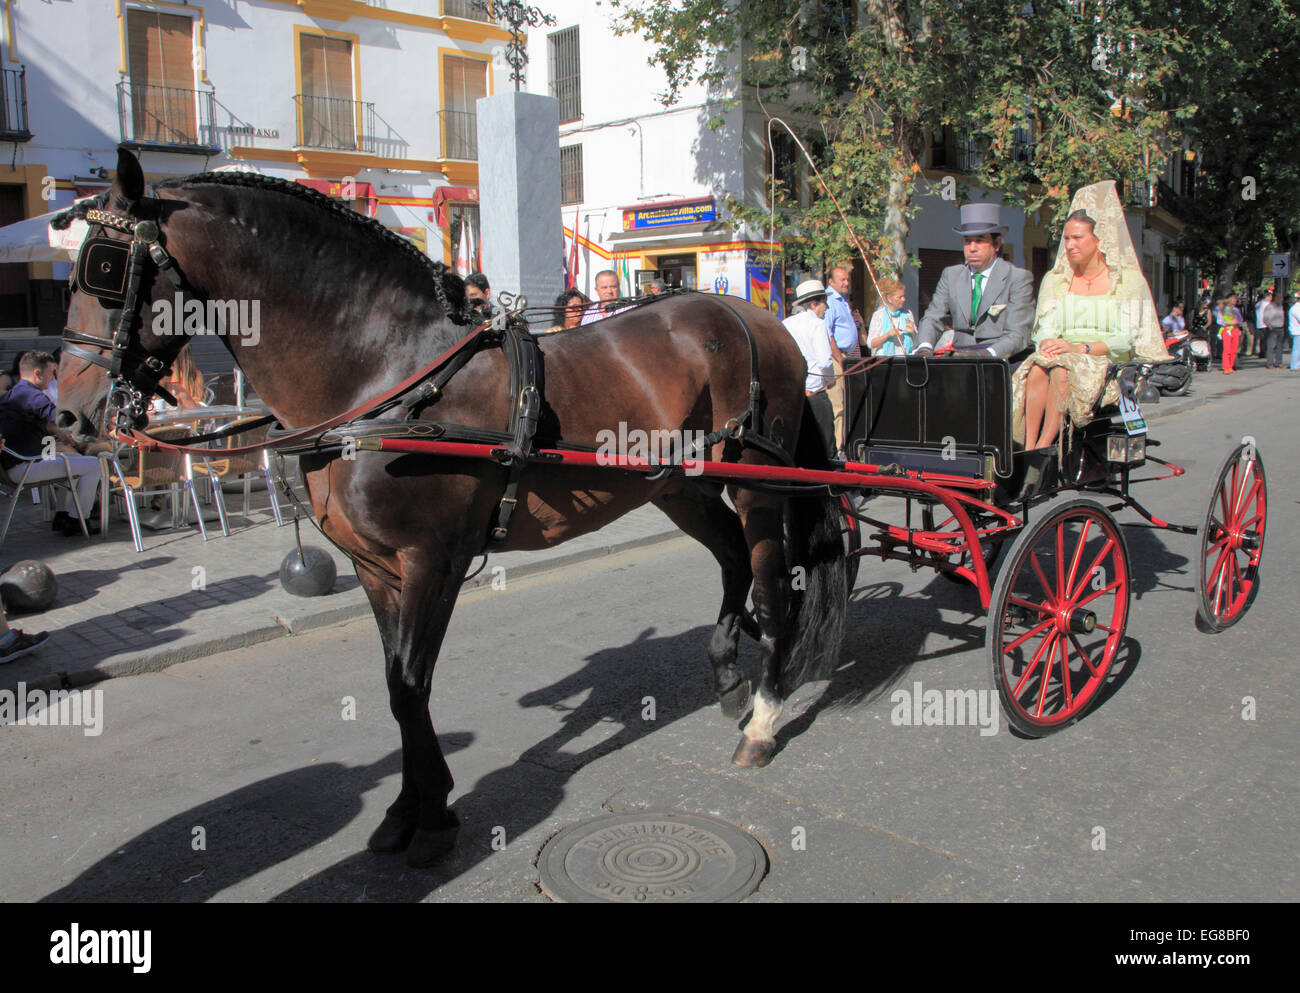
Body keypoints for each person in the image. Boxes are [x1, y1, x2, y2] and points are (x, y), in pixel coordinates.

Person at [1012, 181, 1171, 451]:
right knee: (1037, 368)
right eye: (1066, 239)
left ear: (1099, 240)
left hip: (1106, 363)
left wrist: (1079, 348)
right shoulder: (1056, 280)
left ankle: (1045, 447)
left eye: (1078, 238)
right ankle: (1027, 448)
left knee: (1062, 369)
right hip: (1063, 355)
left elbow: (1126, 339)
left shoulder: (1126, 281)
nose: (1070, 245)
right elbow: (1044, 328)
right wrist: (1050, 343)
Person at [915, 202, 1035, 361]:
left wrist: (985, 355)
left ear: (997, 244)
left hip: (1000, 360)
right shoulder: (951, 275)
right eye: (967, 240)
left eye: (980, 240)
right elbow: (932, 317)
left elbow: (1018, 334)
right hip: (959, 358)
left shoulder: (1017, 278)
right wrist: (924, 347)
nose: (972, 248)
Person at [0, 352, 102, 536]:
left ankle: (63, 515)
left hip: (13, 465)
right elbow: (61, 418)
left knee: (75, 459)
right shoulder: (31, 395)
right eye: (51, 372)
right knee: (95, 465)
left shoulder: (16, 393)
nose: (53, 378)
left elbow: (39, 422)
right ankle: (77, 520)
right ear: (38, 373)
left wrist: (56, 432)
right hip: (25, 467)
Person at [781, 279, 836, 458]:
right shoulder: (817, 325)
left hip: (792, 395)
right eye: (824, 303)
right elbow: (825, 361)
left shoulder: (786, 323)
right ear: (813, 304)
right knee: (826, 445)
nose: (826, 308)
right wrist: (830, 380)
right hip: (814, 393)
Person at [823, 265, 860, 456]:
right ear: (831, 282)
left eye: (847, 279)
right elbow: (828, 334)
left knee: (847, 404)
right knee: (838, 405)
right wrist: (840, 359)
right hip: (837, 358)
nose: (846, 283)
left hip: (846, 357)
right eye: (842, 280)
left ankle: (844, 443)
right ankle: (838, 449)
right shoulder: (830, 301)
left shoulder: (843, 301)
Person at [866, 277, 917, 356]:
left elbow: (916, 342)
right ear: (889, 298)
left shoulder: (907, 313)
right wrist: (888, 335)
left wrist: (913, 332)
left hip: (904, 359)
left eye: (903, 296)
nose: (903, 299)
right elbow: (871, 343)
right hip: (885, 361)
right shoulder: (879, 315)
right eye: (899, 297)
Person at [1216, 293, 1244, 374]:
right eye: (1233, 298)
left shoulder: (1236, 310)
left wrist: (1238, 325)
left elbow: (1240, 320)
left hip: (1235, 329)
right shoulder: (1222, 309)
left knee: (1234, 349)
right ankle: (1226, 367)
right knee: (1227, 349)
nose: (1235, 300)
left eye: (1235, 299)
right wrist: (1228, 323)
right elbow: (1219, 321)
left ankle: (1231, 366)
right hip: (1226, 329)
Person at [1262, 291, 1287, 368]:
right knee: (1271, 346)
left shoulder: (1280, 306)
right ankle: (1270, 363)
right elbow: (1265, 318)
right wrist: (1268, 325)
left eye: (1281, 298)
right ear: (1275, 298)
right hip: (1272, 328)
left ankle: (1278, 363)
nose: (1281, 299)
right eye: (1280, 297)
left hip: (1280, 328)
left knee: (1279, 347)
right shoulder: (1269, 307)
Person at [1252, 288, 1271, 359]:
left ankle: (1261, 352)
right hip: (1266, 323)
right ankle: (1265, 352)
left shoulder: (1257, 304)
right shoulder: (1267, 304)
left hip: (1259, 323)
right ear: (1267, 296)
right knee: (1266, 339)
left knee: (1261, 339)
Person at [1289, 293, 1300, 371]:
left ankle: (1297, 365)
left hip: (1297, 331)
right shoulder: (1296, 308)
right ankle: (1294, 366)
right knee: (1297, 349)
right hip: (1297, 331)